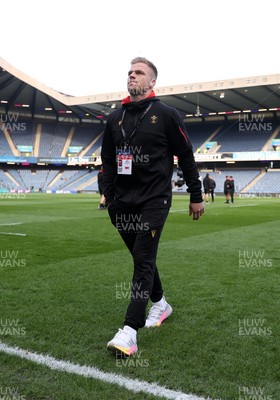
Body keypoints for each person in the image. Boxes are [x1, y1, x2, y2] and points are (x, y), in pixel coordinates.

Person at [101, 57, 204, 356]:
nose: (132, 76)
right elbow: (107, 159)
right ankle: (160, 303)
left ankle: (129, 332)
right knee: (140, 257)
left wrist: (196, 195)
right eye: (130, 72)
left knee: (143, 261)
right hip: (121, 204)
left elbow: (186, 156)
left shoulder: (167, 114)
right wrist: (109, 197)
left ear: (152, 82)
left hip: (153, 201)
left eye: (139, 72)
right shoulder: (114, 117)